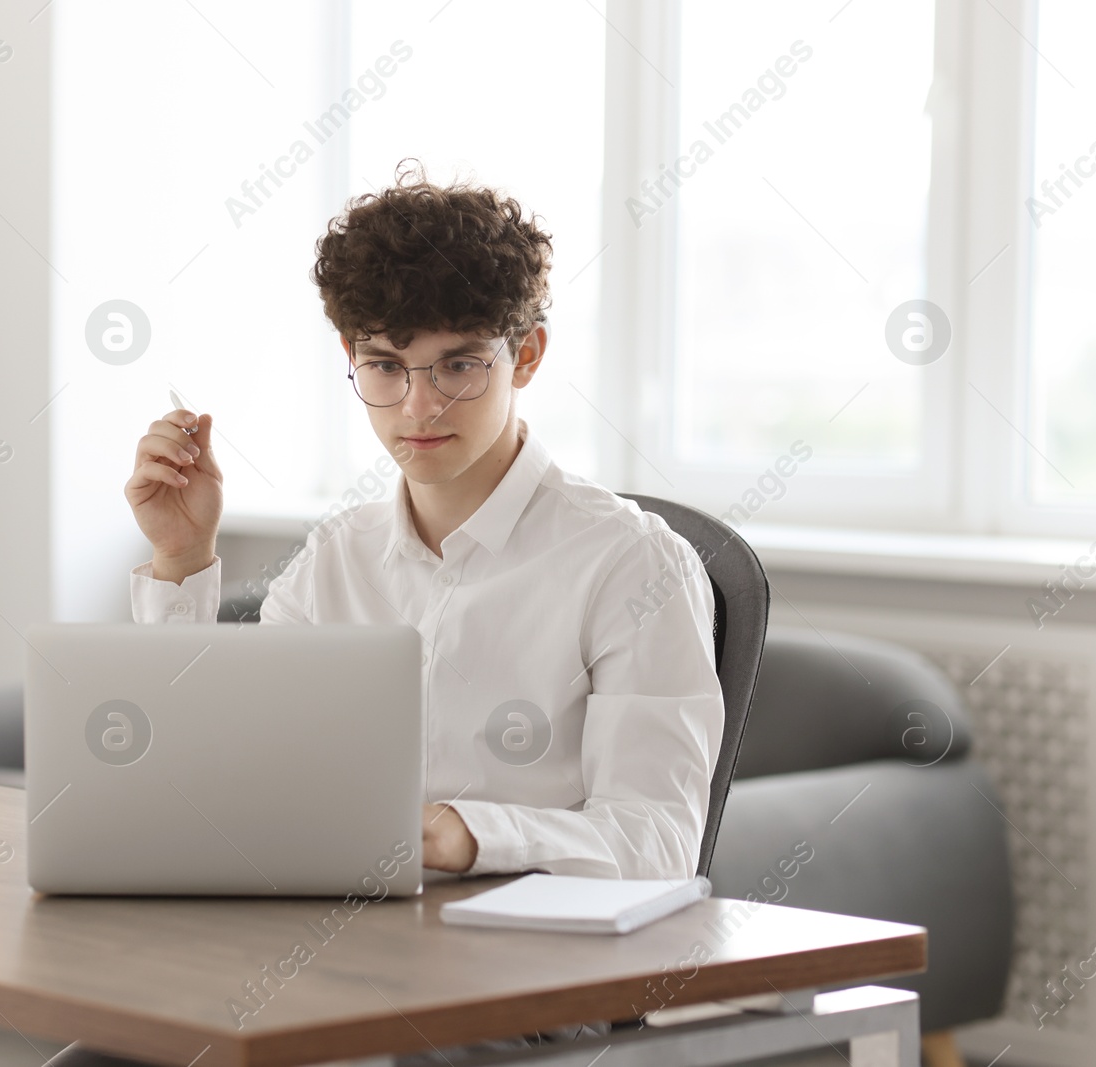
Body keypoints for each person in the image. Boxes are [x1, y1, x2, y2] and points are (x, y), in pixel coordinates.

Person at [51, 162, 723, 1066]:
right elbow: (214, 774)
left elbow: (657, 844)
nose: (419, 406)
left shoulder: (633, 564)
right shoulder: (340, 555)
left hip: (512, 995)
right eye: (385, 366)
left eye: (458, 365)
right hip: (332, 962)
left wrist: (467, 833)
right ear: (350, 358)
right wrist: (181, 559)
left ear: (525, 355)